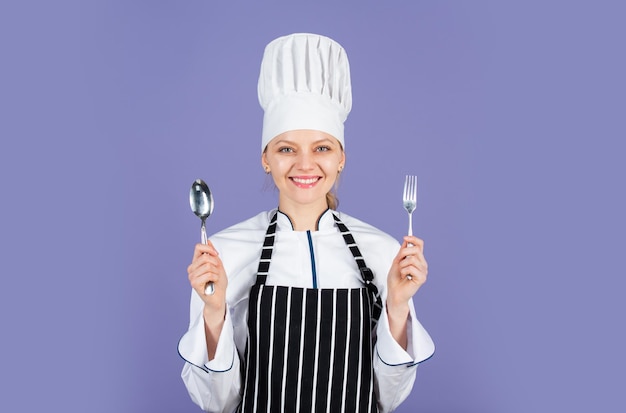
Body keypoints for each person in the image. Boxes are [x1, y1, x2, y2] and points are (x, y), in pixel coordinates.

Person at [178, 33, 435, 413]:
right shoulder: (225, 254)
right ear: (266, 158)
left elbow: (386, 397)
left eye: (322, 148)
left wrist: (397, 305)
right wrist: (214, 313)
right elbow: (221, 402)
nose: (305, 165)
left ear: (341, 157)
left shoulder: (381, 253)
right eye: (286, 150)